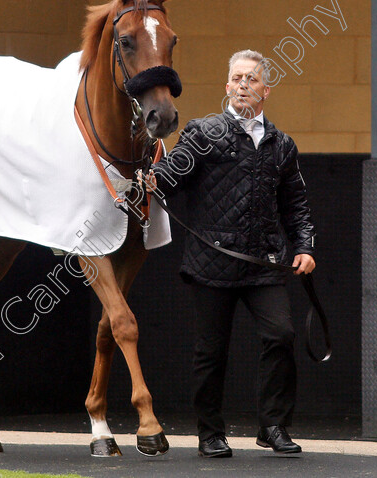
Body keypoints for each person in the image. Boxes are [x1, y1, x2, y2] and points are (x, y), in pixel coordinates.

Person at [142, 49, 316, 457]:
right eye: (236, 78)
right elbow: (169, 180)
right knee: (211, 351)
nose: (243, 85)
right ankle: (210, 433)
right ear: (226, 87)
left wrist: (305, 246)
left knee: (281, 335)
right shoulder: (204, 133)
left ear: (265, 91)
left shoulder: (281, 145)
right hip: (212, 263)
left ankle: (272, 425)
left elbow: (296, 205)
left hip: (264, 264)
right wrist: (150, 178)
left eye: (251, 79)